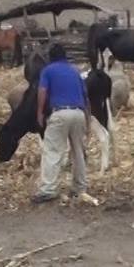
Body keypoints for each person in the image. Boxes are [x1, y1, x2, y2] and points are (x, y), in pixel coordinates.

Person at [32, 43, 89, 204]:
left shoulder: (48, 70)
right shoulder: (75, 71)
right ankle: (80, 187)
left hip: (60, 112)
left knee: (53, 150)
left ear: (51, 57)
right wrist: (87, 118)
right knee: (78, 151)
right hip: (78, 113)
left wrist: (40, 113)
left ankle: (48, 189)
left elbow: (42, 91)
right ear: (65, 56)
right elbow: (85, 96)